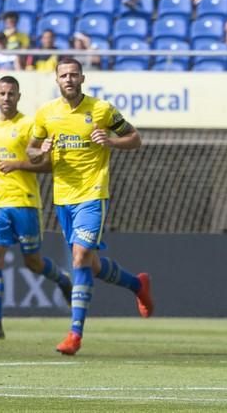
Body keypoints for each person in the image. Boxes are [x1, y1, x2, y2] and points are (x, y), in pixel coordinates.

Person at [26, 58, 154, 356]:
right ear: (56, 80)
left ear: (82, 78)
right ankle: (137, 285)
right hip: (63, 198)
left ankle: (75, 334)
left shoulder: (102, 110)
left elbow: (134, 139)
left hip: (93, 193)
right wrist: (39, 151)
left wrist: (111, 140)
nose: (69, 79)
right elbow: (32, 150)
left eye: (73, 74)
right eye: (63, 75)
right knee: (91, 264)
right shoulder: (46, 113)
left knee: (80, 256)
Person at [0, 76, 73, 339]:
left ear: (18, 97)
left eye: (11, 94)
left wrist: (18, 165)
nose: (6, 98)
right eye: (2, 93)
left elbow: (46, 164)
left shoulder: (28, 125)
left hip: (25, 202)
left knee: (32, 262)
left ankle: (62, 279)